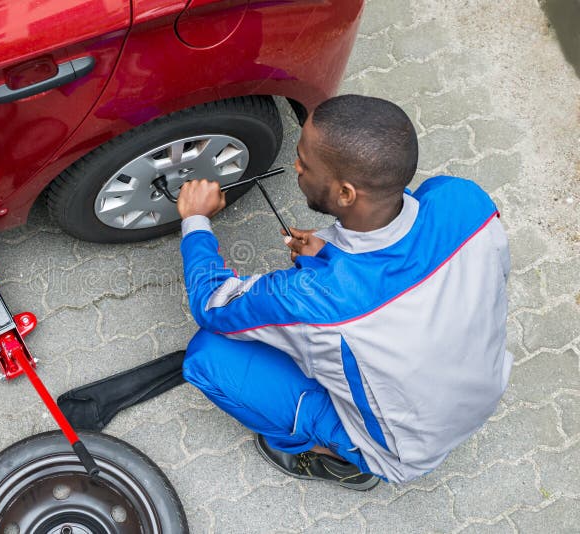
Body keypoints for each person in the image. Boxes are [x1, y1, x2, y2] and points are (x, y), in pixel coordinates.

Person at [176, 94, 512, 488]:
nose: (296, 167)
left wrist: (195, 219)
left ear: (346, 194)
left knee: (207, 356)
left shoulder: (316, 300)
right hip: (479, 392)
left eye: (303, 161)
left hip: (403, 451)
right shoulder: (465, 200)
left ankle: (339, 459)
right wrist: (332, 252)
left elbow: (211, 304)